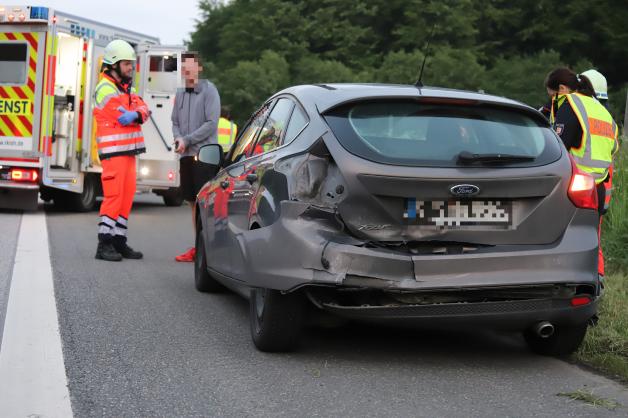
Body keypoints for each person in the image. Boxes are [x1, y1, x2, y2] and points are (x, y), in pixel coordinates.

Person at [544, 67, 619, 277]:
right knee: (591, 238)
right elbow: (612, 149)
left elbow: (558, 147)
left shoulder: (572, 104)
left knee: (561, 237)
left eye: (552, 97)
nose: (552, 102)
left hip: (574, 186)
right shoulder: (604, 113)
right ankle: (596, 282)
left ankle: (561, 281)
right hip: (599, 185)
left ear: (562, 89)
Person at [93, 39, 149, 262]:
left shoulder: (127, 89)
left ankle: (118, 241)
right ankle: (103, 244)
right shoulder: (105, 88)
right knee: (114, 197)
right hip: (114, 152)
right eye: (127, 64)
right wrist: (136, 114)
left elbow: (144, 109)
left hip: (128, 152)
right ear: (114, 65)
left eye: (132, 64)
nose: (131, 68)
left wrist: (137, 113)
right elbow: (124, 115)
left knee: (126, 198)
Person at [172, 51, 221, 262]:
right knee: (192, 202)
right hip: (186, 155)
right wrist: (178, 139)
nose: (187, 71)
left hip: (204, 156)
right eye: (184, 68)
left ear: (199, 68)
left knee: (205, 205)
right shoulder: (181, 93)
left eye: (191, 67)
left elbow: (211, 123)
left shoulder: (209, 91)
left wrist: (187, 139)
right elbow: (174, 121)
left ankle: (210, 250)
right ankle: (198, 247)